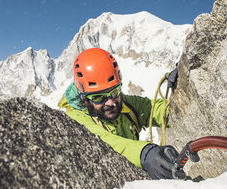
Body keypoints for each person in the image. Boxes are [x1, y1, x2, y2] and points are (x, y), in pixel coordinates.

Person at [58, 48, 180, 179]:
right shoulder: (75, 120)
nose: (111, 102)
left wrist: (184, 83)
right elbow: (105, 143)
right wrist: (146, 154)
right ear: (83, 97)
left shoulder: (127, 104)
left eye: (115, 92)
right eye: (99, 97)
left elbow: (156, 110)